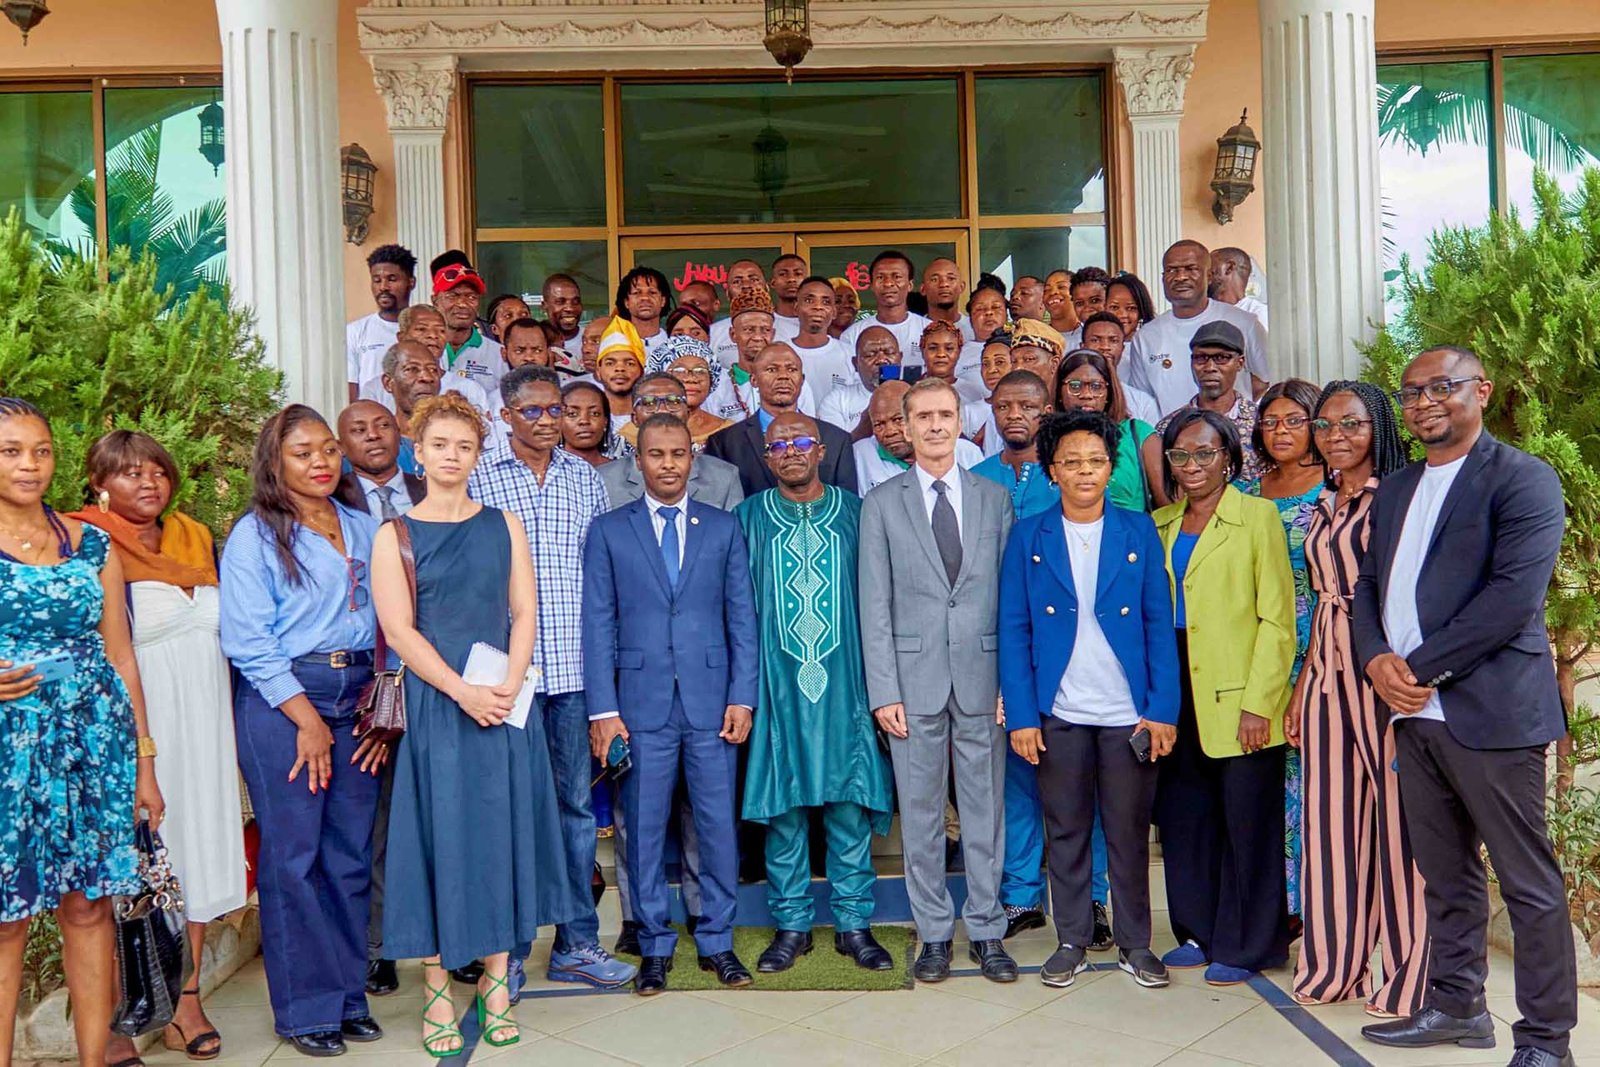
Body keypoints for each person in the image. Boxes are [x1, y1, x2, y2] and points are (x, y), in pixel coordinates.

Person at [1354, 348, 1575, 1065]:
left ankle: (1546, 1041)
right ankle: (1458, 1005)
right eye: (1411, 391)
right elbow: (1366, 589)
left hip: (1491, 713)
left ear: (1480, 389)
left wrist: (1412, 668)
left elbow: (1511, 601)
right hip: (1413, 715)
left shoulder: (1523, 479)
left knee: (1527, 881)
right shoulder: (1395, 488)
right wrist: (1375, 662)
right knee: (1444, 874)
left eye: (1441, 387)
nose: (1423, 401)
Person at [372, 393, 585, 1055]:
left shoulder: (505, 524)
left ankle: (496, 982)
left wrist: (510, 683)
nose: (452, 456)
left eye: (463, 446)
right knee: (440, 843)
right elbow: (399, 631)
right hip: (441, 707)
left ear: (476, 452)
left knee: (499, 842)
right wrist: (462, 690)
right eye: (439, 444)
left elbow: (526, 611)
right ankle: (437, 988)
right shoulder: (395, 535)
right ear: (419, 449)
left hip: (503, 707)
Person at [68, 432, 243, 1063]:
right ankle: (114, 1017)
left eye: (158, 473)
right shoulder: (82, 543)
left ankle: (185, 999)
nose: (149, 484)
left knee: (195, 855)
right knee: (132, 868)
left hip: (207, 723)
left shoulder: (196, 538)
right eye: (130, 474)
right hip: (136, 728)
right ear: (98, 483)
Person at [0, 400, 164, 1067]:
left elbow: (122, 656)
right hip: (8, 745)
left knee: (90, 904)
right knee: (5, 919)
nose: (29, 464)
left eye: (40, 450)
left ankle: (95, 1061)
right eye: (11, 450)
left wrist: (143, 762)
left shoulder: (90, 542)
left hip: (94, 740)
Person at [219, 404, 385, 1057]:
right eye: (302, 452)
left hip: (359, 698)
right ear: (275, 462)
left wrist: (382, 704)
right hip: (285, 702)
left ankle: (347, 996)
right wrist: (308, 720)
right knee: (294, 859)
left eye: (327, 449)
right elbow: (248, 642)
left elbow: (392, 621)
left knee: (348, 857)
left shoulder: (365, 527)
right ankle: (304, 1009)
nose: (320, 461)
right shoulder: (255, 536)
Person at [998, 409, 1180, 990]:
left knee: (1127, 832)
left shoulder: (1137, 531)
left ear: (1111, 467)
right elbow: (1015, 629)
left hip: (1128, 713)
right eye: (1071, 461)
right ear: (1052, 469)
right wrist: (1023, 716)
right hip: (1061, 712)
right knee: (1067, 829)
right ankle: (1072, 939)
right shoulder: (1030, 535)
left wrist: (1162, 709)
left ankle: (1135, 943)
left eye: (1096, 461)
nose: (1084, 471)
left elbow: (1159, 621)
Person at [470, 366, 633, 994]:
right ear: (506, 415)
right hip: (503, 677)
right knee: (507, 812)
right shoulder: (480, 477)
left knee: (571, 811)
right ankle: (505, 956)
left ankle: (577, 943)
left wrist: (606, 683)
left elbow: (601, 584)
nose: (547, 421)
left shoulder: (583, 479)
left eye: (555, 411)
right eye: (533, 411)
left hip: (571, 676)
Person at [584, 414, 760, 994]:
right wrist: (603, 710)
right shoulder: (610, 530)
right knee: (643, 827)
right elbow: (599, 622)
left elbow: (742, 618)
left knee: (715, 827)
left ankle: (717, 941)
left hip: (712, 704)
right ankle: (653, 944)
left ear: (692, 460)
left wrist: (743, 696)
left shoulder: (722, 527)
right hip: (639, 706)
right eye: (655, 454)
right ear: (638, 461)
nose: (667, 464)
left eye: (677, 454)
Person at [859, 378, 1017, 984]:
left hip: (984, 678)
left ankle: (987, 929)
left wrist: (1011, 685)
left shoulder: (993, 499)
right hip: (911, 682)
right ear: (902, 425)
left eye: (944, 415)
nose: (933, 426)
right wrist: (884, 691)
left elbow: (1009, 600)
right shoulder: (881, 502)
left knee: (985, 811)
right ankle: (932, 934)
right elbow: (873, 604)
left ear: (960, 422)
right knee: (921, 815)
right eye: (921, 416)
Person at [1287, 380, 1428, 1018]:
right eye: (1324, 426)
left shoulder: (1397, 497)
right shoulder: (1322, 501)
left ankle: (1408, 977)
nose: (1334, 437)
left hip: (1383, 669)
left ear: (1379, 429)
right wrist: (1300, 688)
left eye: (1351, 425)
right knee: (1330, 824)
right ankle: (1334, 965)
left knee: (1400, 827)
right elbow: (1321, 597)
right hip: (1323, 672)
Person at [738, 413, 897, 974]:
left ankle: (855, 925)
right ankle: (792, 925)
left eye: (801, 440)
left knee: (848, 805)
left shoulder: (858, 514)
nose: (791, 450)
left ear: (823, 448)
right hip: (776, 688)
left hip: (848, 686)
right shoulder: (747, 518)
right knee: (783, 809)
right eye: (778, 444)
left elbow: (884, 607)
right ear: (765, 454)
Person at [1152, 408, 1296, 986]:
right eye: (1180, 455)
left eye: (1205, 453)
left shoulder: (1257, 516)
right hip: (1176, 687)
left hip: (1241, 692)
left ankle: (1253, 942)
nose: (1192, 465)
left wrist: (1260, 702)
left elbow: (1278, 618)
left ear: (1230, 457)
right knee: (1187, 818)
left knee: (1247, 822)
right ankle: (1196, 931)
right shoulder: (1160, 522)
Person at [331, 400, 424, 995]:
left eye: (382, 425)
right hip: (378, 683)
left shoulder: (434, 483)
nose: (372, 436)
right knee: (381, 820)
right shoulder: (328, 503)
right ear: (343, 444)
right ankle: (379, 945)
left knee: (444, 814)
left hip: (447, 675)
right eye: (357, 430)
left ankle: (455, 939)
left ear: (402, 432)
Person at [1243, 377, 1325, 923]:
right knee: (1269, 785)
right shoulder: (1247, 495)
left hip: (1322, 650)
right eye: (1270, 421)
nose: (1280, 431)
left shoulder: (1337, 491)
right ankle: (1281, 906)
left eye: (1294, 420)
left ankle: (1320, 905)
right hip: (1258, 653)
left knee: (1315, 782)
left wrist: (1312, 666)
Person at [1129, 241, 1269, 415]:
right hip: (1172, 438)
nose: (1180, 277)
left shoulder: (1244, 322)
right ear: (1163, 278)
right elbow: (1144, 398)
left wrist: (1230, 413)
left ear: (1209, 276)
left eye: (1191, 269)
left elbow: (1264, 380)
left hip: (1234, 437)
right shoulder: (1146, 337)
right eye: (1172, 270)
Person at [705, 343, 857, 498]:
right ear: (754, 380)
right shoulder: (724, 443)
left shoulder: (837, 440)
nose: (783, 376)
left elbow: (847, 506)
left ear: (802, 380)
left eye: (792, 369)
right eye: (772, 369)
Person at [600, 382, 744, 511]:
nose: (662, 409)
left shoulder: (725, 477)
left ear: (688, 414)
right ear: (634, 418)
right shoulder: (603, 480)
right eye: (649, 402)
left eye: (673, 401)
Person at [1153, 321, 1266, 483]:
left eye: (1221, 358)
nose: (1210, 367)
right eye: (1201, 358)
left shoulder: (1261, 423)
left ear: (1239, 363)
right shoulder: (1169, 426)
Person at [1054, 350, 1163, 512]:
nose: (1086, 395)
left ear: (1108, 393)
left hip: (1130, 534)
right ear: (1060, 392)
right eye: (1075, 386)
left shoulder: (1139, 435)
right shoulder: (1047, 438)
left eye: (1096, 386)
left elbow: (1168, 507)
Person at [706, 289, 819, 422]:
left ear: (773, 334)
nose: (758, 337)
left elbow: (808, 429)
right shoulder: (716, 386)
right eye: (749, 330)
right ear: (733, 334)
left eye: (765, 330)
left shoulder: (793, 382)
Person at [854, 379, 982, 495]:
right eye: (879, 424)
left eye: (898, 419)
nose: (889, 432)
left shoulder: (966, 453)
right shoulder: (860, 454)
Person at [973, 370, 1058, 520]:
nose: (1014, 415)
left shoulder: (1069, 476)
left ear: (1047, 413)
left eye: (1027, 407)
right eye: (1003, 407)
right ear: (993, 412)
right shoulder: (974, 479)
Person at [347, 244, 417, 403]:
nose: (383, 287)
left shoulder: (428, 331)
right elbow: (351, 390)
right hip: (374, 424)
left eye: (392, 279)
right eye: (377, 280)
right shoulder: (355, 331)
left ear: (411, 282)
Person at [840, 251, 932, 368]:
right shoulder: (852, 335)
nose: (888, 283)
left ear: (910, 285)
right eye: (880, 277)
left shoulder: (929, 331)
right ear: (872, 285)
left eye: (897, 277)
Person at [433, 263, 506, 400]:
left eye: (471, 297)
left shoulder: (498, 355)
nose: (462, 303)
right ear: (435, 301)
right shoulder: (424, 351)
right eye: (452, 296)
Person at [646, 335, 732, 448]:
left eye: (700, 371)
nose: (691, 378)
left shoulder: (730, 433)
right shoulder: (633, 435)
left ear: (712, 380)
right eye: (679, 370)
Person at [1080, 310, 1161, 425]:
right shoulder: (1072, 395)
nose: (1105, 347)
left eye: (1113, 340)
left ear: (1122, 348)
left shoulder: (1143, 403)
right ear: (1082, 347)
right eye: (1095, 340)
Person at [818, 325, 901, 436]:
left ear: (900, 358)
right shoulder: (836, 401)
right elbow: (835, 450)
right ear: (855, 364)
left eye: (889, 353)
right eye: (870, 355)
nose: (881, 360)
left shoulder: (915, 396)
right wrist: (863, 427)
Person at [380, 340, 445, 476]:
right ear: (388, 383)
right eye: (411, 369)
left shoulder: (455, 438)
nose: (427, 377)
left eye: (433, 370)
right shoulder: (378, 443)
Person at [790, 275, 855, 402]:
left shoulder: (851, 354)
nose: (818, 307)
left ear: (834, 312)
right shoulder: (780, 354)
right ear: (796, 308)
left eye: (826, 302)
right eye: (809, 300)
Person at [710, 259, 770, 366]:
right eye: (737, 282)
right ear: (728, 294)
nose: (746, 286)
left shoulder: (792, 330)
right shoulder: (713, 333)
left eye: (754, 280)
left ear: (767, 288)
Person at [596, 320, 646, 438]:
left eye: (629, 363)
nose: (619, 368)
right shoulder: (590, 420)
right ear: (598, 372)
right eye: (610, 363)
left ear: (642, 372)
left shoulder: (651, 419)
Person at [614, 266, 673, 360]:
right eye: (637, 293)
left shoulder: (675, 345)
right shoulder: (615, 344)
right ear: (626, 302)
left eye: (652, 292)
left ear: (663, 300)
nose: (645, 298)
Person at [921, 318, 982, 402]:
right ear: (922, 350)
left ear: (959, 351)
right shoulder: (911, 391)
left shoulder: (973, 393)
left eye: (949, 348)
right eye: (933, 348)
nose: (941, 354)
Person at [1209, 247, 1268, 331]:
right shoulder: (1204, 312)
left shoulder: (1259, 315)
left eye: (1209, 267)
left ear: (1229, 268)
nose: (1205, 274)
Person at [559, 381, 616, 468]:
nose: (584, 421)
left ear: (605, 422)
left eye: (594, 413)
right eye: (572, 414)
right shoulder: (544, 472)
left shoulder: (621, 472)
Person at [1105, 272, 1156, 364]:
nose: (1122, 314)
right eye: (1114, 307)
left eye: (1131, 308)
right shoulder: (1095, 347)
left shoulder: (1151, 345)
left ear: (1141, 311)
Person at [920, 258, 969, 337]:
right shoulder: (913, 329)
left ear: (962, 287)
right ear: (923, 289)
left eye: (951, 278)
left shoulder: (975, 329)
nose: (944, 284)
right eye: (934, 279)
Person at [542, 273, 585, 355]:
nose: (570, 308)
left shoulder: (593, 341)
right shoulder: (534, 343)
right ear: (544, 306)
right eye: (560, 302)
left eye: (576, 302)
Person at [769, 253, 806, 341]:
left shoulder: (820, 321)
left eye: (798, 274)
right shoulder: (765, 321)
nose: (791, 279)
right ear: (773, 283)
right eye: (783, 274)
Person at [1043, 269, 1079, 342]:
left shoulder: (1090, 334)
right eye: (1047, 290)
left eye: (1061, 287)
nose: (1053, 292)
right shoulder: (1039, 337)